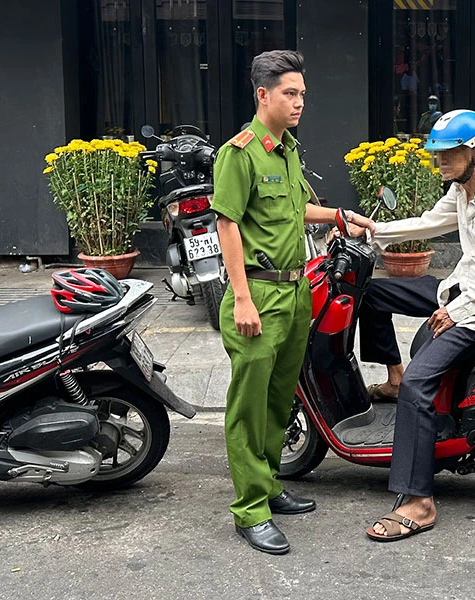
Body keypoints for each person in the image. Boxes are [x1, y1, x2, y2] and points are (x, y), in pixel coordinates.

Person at [211, 49, 374, 555]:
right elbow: (228, 224)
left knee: (281, 400)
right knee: (249, 407)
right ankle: (250, 510)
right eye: (290, 93)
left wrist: (338, 215)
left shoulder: (285, 150)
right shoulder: (239, 153)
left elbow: (293, 209)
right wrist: (241, 298)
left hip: (296, 289)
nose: (300, 101)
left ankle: (270, 484)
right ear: (263, 95)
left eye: (302, 93)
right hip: (257, 294)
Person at [361, 109, 475, 541]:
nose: (440, 160)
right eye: (436, 153)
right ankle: (392, 376)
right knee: (370, 293)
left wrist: (461, 309)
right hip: (459, 290)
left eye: (449, 152)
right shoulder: (462, 188)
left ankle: (418, 500)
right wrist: (368, 231)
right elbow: (427, 224)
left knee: (422, 383)